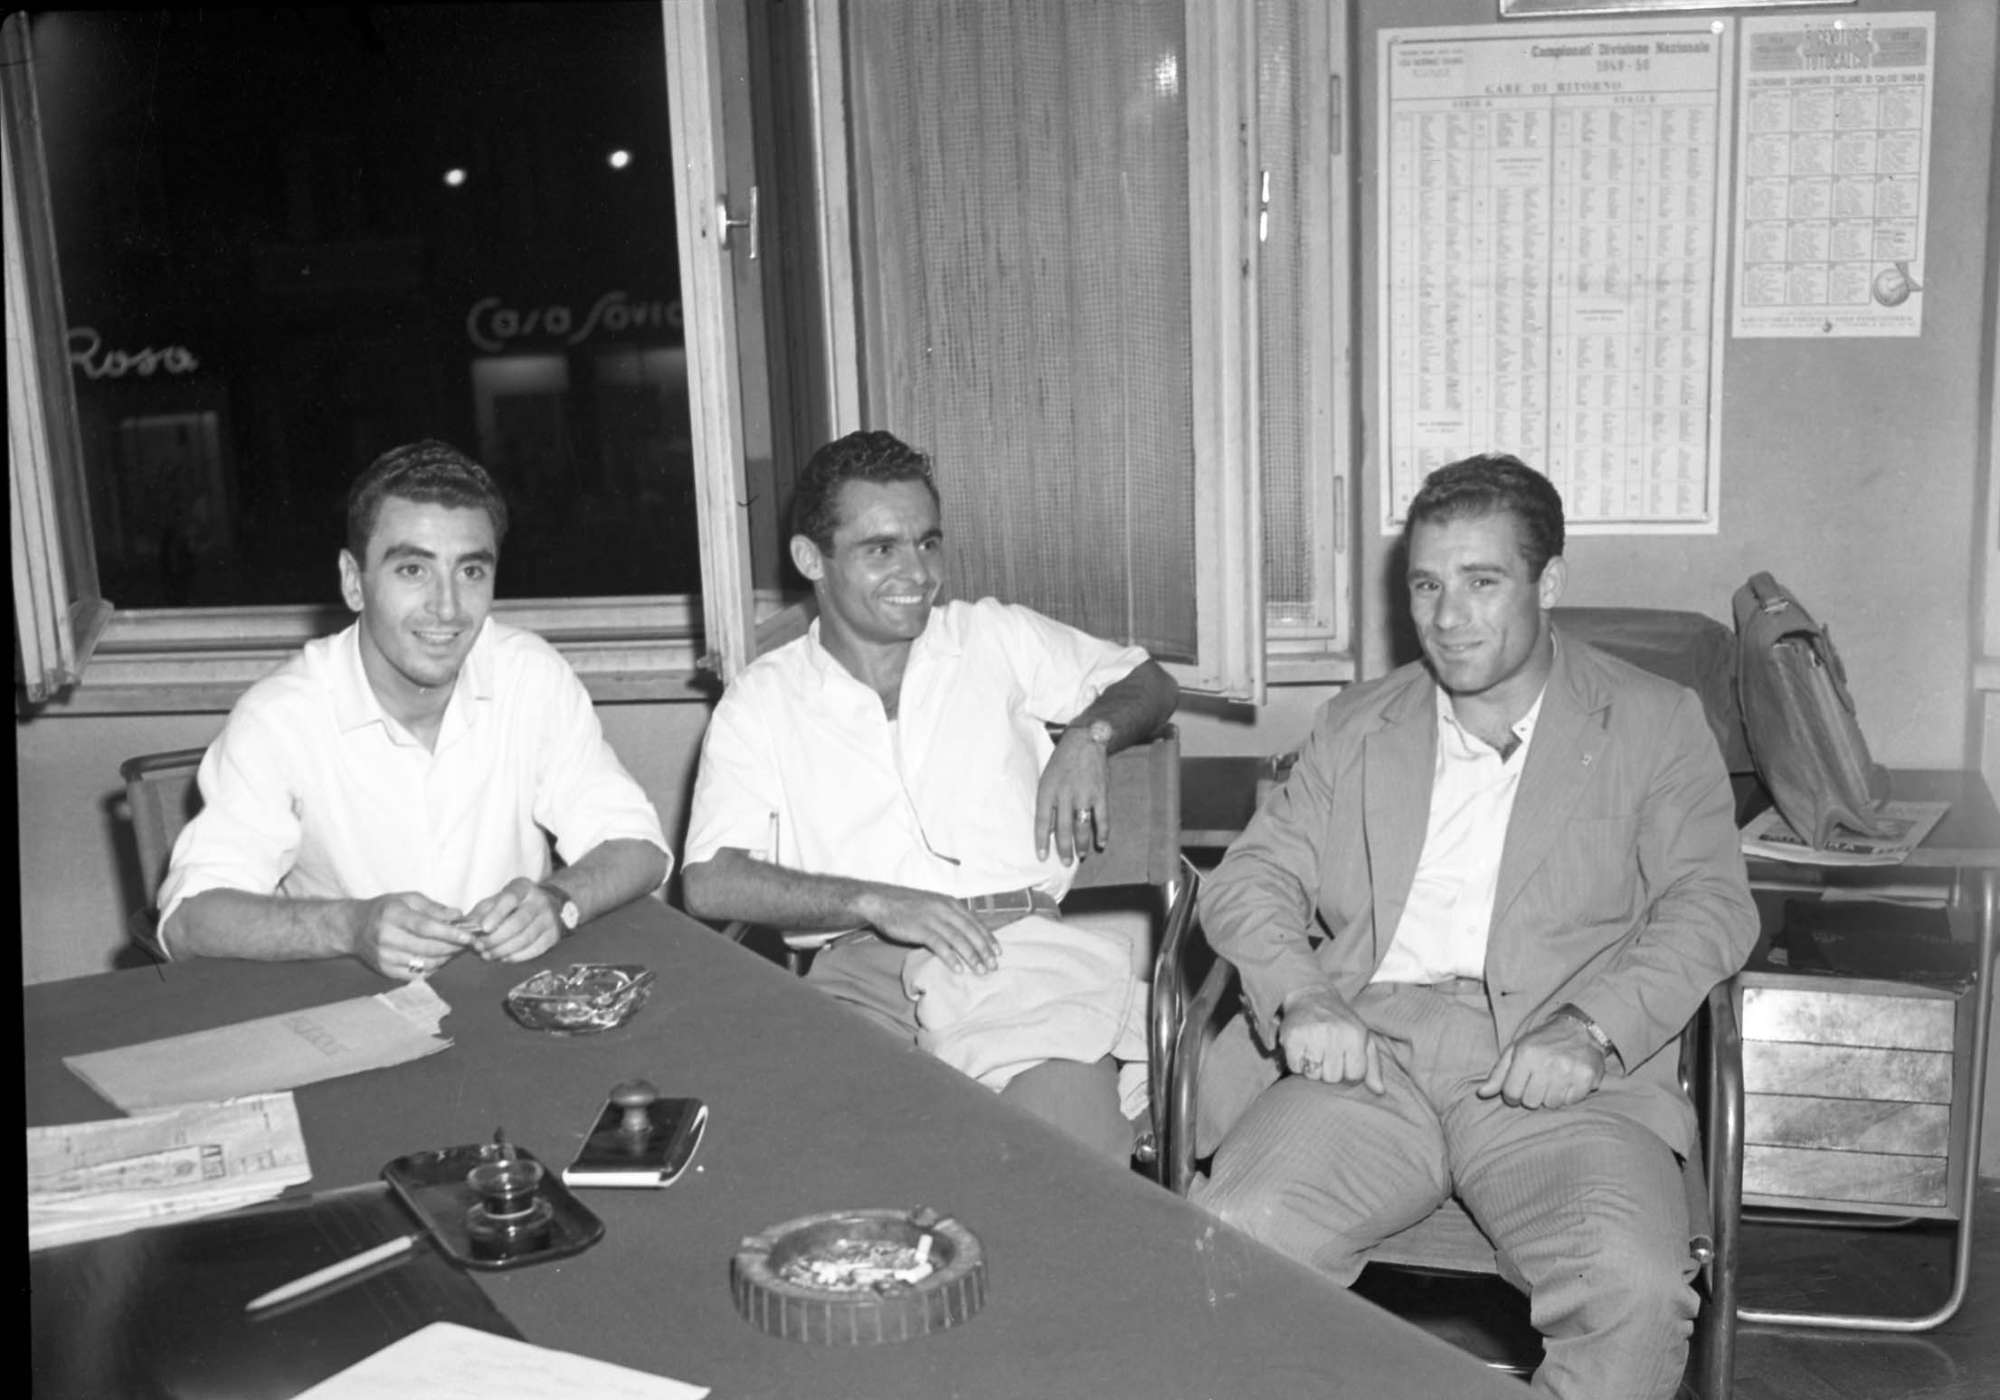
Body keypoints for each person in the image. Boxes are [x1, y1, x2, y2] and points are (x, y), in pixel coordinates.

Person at [1190, 453, 1756, 1400]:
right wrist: (1303, 996)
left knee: (1633, 1289)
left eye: (1482, 582)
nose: (1448, 617)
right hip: (1372, 1062)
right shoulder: (1357, 724)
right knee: (1232, 1240)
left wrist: (1593, 1029)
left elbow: (1711, 903)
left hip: (1563, 1077)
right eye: (1427, 586)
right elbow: (1251, 877)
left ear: (1549, 583)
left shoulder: (1653, 722)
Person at [681, 429, 1178, 1162]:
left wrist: (1090, 736)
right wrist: (874, 902)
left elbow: (1149, 680)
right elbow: (709, 880)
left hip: (1017, 963)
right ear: (811, 560)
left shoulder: (991, 638)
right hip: (858, 979)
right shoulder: (763, 700)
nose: (918, 573)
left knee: (1067, 1175)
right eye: (881, 549)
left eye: (928, 543)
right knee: (825, 1170)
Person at [156, 439, 671, 978]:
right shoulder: (279, 716)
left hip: (508, 995)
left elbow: (639, 846)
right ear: (354, 582)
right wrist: (350, 927)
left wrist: (560, 902)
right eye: (412, 570)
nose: (447, 608)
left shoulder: (531, 676)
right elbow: (187, 921)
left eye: (471, 572)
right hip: (347, 1004)